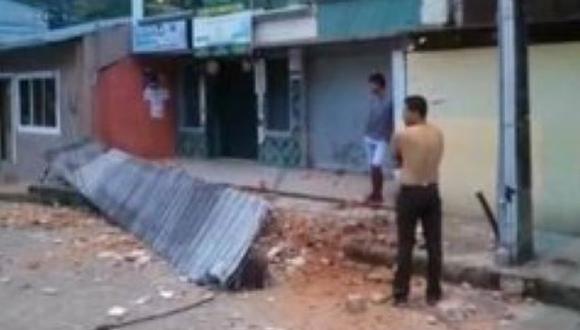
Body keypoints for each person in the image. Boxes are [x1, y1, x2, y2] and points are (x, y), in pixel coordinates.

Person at [391, 95, 445, 306]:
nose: (403, 115)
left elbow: (396, 158)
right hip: (432, 191)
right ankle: (433, 293)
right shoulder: (438, 133)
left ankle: (401, 294)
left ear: (414, 112)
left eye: (405, 111)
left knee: (406, 244)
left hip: (410, 192)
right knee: (434, 245)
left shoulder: (403, 135)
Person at [364, 72, 394, 204]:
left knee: (377, 165)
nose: (370, 87)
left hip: (382, 138)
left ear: (379, 84)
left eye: (372, 84)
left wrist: (389, 136)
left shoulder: (390, 101)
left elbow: (392, 120)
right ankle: (374, 192)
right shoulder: (372, 99)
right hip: (369, 136)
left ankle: (378, 194)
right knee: (372, 166)